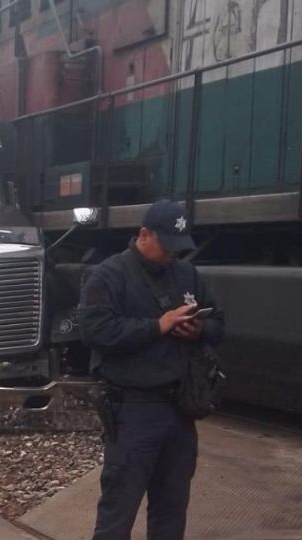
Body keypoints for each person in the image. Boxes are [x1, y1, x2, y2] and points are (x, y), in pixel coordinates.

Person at [80, 199, 225, 540]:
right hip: (134, 411)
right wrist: (157, 326)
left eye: (179, 248)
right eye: (167, 246)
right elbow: (96, 331)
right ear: (144, 235)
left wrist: (200, 330)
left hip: (180, 411)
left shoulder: (187, 274)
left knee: (171, 513)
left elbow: (219, 323)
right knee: (118, 513)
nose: (173, 255)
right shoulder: (110, 275)